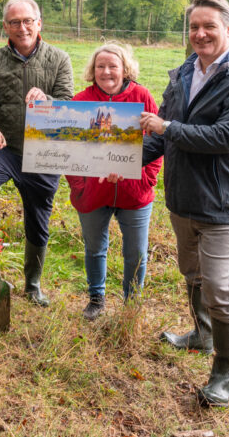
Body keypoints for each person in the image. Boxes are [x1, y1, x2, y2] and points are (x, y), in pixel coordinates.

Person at [140, 0, 229, 406]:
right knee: (192, 272)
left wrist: (168, 126)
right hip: (183, 198)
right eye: (194, 27)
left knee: (218, 285)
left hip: (222, 202)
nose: (200, 34)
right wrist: (117, 160)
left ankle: (224, 373)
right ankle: (200, 335)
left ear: (228, 29)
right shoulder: (181, 73)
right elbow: (160, 136)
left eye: (209, 26)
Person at [0, 0, 74, 307]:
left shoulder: (58, 59)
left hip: (44, 153)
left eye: (28, 21)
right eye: (15, 22)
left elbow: (67, 103)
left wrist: (48, 101)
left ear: (39, 23)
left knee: (38, 217)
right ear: (6, 27)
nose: (22, 27)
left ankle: (33, 284)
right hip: (6, 149)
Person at [65, 43, 162, 320]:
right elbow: (69, 151)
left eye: (113, 66)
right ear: (93, 70)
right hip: (93, 192)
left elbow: (156, 142)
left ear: (124, 69)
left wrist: (145, 179)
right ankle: (96, 299)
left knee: (136, 252)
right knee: (95, 248)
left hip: (134, 192)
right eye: (100, 66)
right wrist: (79, 186)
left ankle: (132, 304)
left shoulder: (142, 96)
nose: (106, 72)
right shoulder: (81, 101)